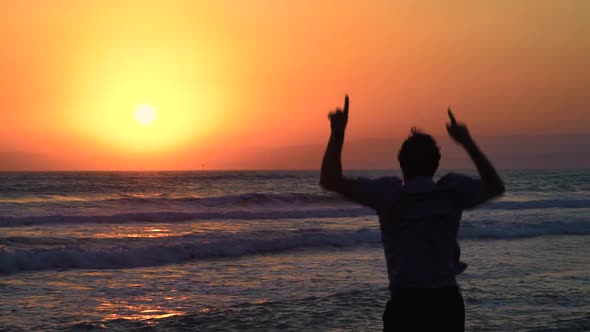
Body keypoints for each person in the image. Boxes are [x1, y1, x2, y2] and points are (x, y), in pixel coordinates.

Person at [320, 95, 505, 331]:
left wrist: (337, 132)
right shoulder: (451, 192)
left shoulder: (389, 195)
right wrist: (467, 142)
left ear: (401, 162)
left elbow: (330, 180)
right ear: (436, 163)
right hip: (446, 303)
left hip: (407, 303)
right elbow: (495, 187)